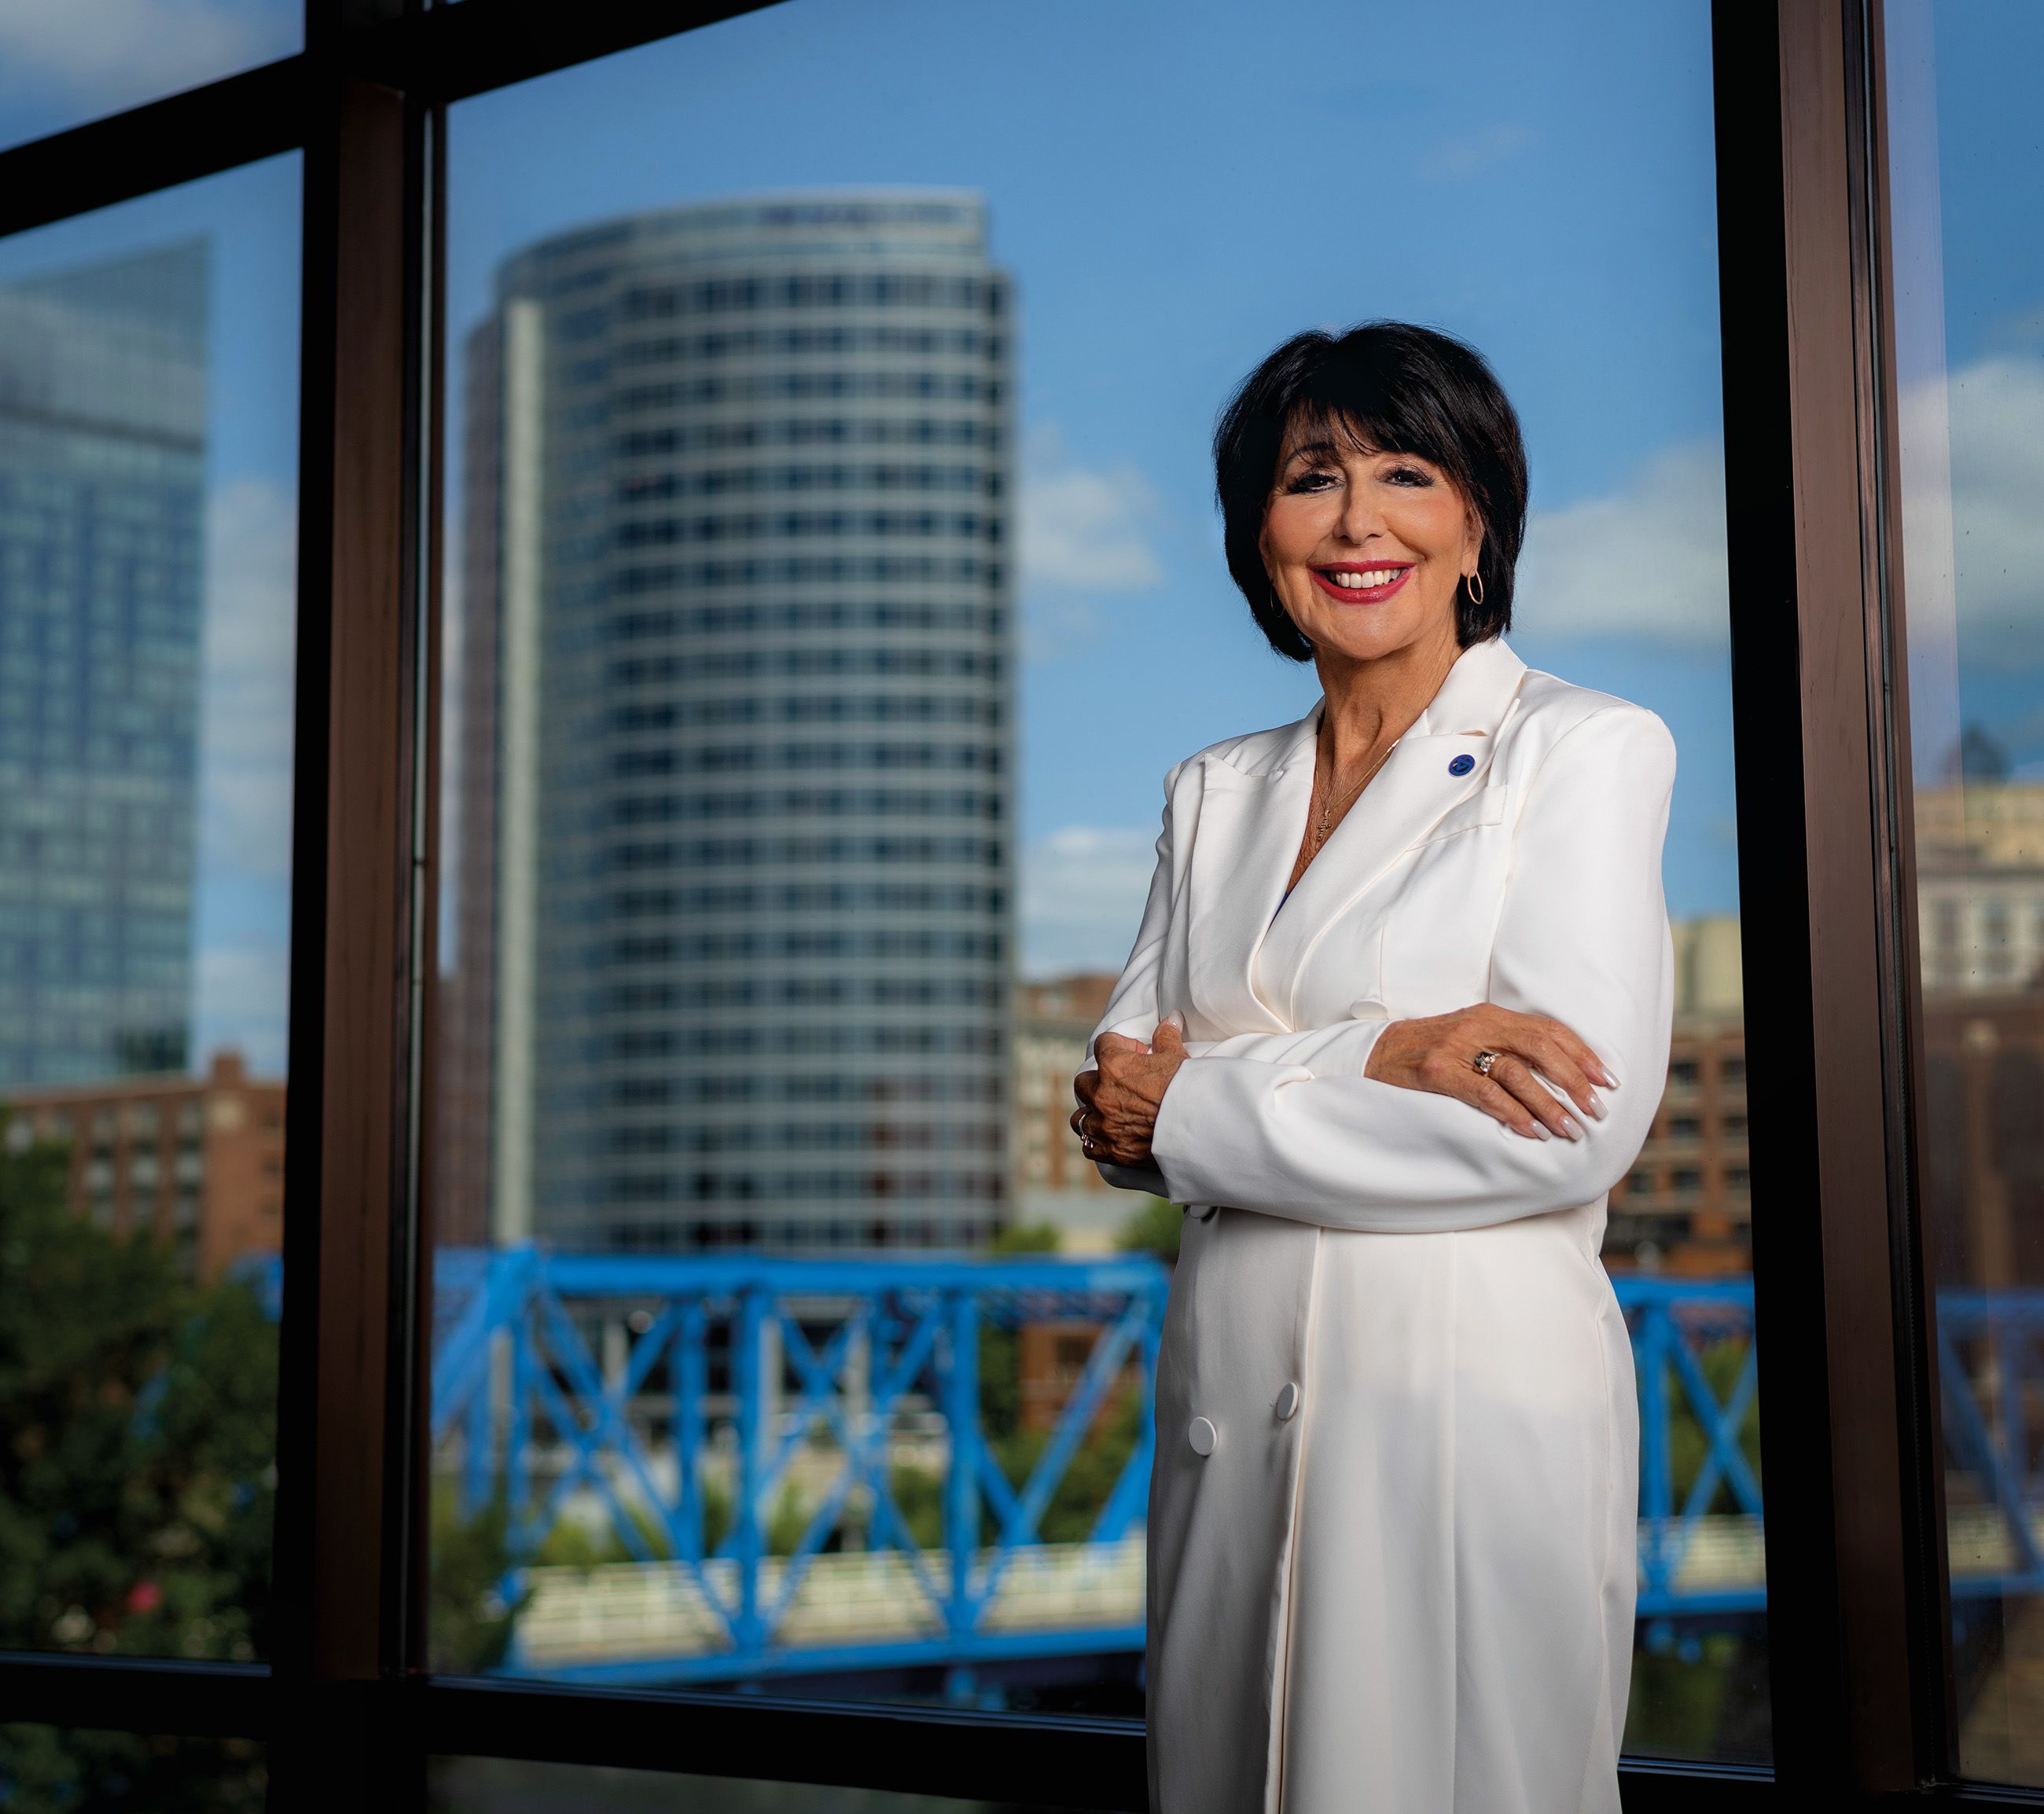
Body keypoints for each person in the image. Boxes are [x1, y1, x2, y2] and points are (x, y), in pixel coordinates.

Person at [1071, 322, 1674, 1814]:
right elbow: (1117, 1108)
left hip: (1460, 1413)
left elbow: (1562, 1131)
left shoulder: (1583, 751)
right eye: (1310, 478)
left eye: (1408, 472)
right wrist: (1397, 1054)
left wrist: (1217, 1097)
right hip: (1228, 1411)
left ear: (1480, 518)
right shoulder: (1213, 790)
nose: (1358, 521)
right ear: (1256, 532)